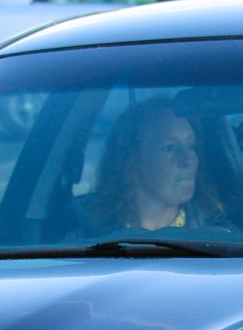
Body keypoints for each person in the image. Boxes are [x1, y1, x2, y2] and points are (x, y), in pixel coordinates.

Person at [80, 97, 218, 235]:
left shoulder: (222, 239)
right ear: (132, 161)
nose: (187, 161)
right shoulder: (89, 240)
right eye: (169, 147)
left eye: (190, 146)